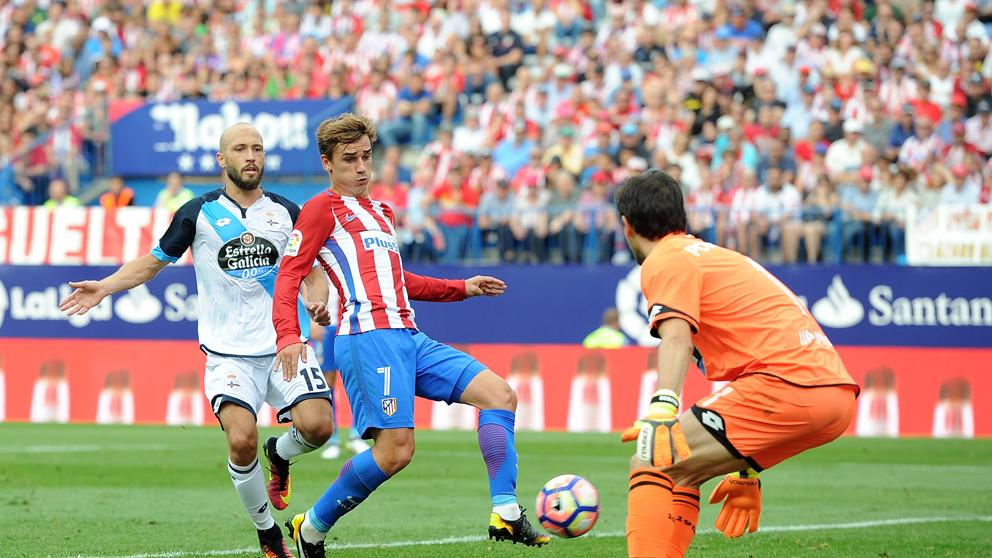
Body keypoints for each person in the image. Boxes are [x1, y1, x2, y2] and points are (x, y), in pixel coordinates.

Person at [272, 113, 550, 558]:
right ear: (327, 163)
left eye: (366, 157)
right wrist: (289, 335)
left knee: (500, 395)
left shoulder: (382, 212)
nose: (362, 167)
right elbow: (289, 274)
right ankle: (312, 526)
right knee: (396, 451)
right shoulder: (321, 209)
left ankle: (505, 511)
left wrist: (461, 288)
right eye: (349, 159)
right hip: (368, 337)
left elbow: (398, 279)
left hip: (409, 336)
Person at [59, 123, 335, 558]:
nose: (251, 156)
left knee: (319, 427)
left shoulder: (288, 211)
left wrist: (317, 302)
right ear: (222, 159)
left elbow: (312, 271)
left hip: (285, 344)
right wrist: (106, 286)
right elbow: (152, 262)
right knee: (240, 439)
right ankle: (267, 532)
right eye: (240, 149)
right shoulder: (197, 212)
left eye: (257, 148)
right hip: (228, 355)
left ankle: (280, 454)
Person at [613, 170, 859, 558]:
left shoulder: (664, 260)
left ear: (627, 225)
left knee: (652, 458)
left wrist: (662, 409)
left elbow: (676, 339)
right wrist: (746, 469)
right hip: (835, 395)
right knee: (684, 471)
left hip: (787, 383)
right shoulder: (717, 256)